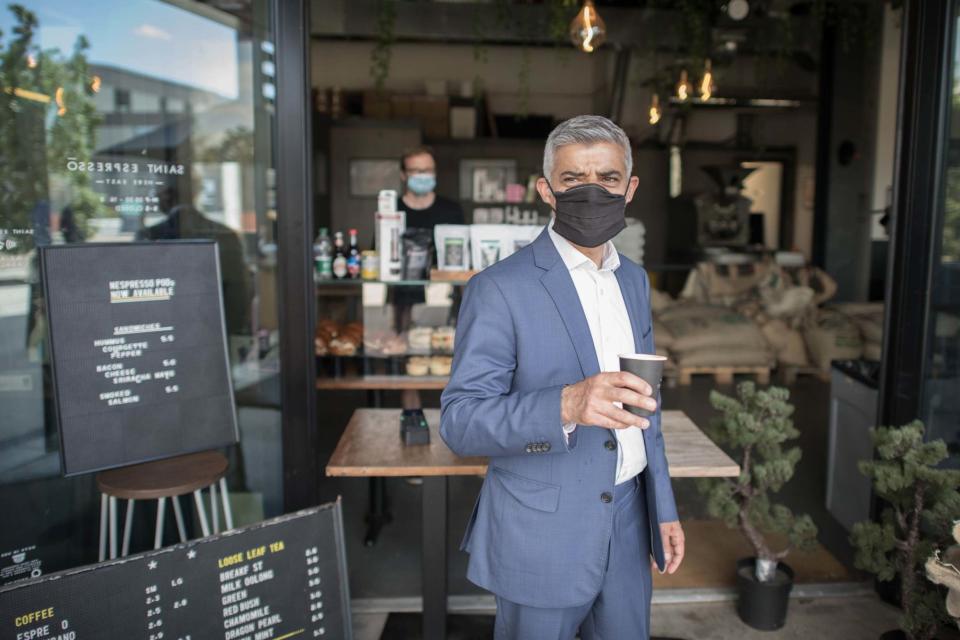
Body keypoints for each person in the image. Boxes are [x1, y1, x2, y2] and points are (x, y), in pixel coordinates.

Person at [440, 115, 684, 640]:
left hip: (628, 518)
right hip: (540, 532)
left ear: (630, 189)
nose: (592, 191)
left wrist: (663, 508)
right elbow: (460, 422)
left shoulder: (635, 282)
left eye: (609, 179)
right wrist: (567, 405)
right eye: (573, 180)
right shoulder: (499, 288)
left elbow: (648, 406)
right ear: (546, 190)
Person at [394, 146, 464, 410]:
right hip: (404, 298)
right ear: (403, 175)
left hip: (445, 297)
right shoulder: (392, 211)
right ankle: (413, 416)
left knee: (445, 358)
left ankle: (448, 421)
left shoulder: (451, 210)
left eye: (428, 170)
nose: (423, 175)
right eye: (416, 171)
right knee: (411, 363)